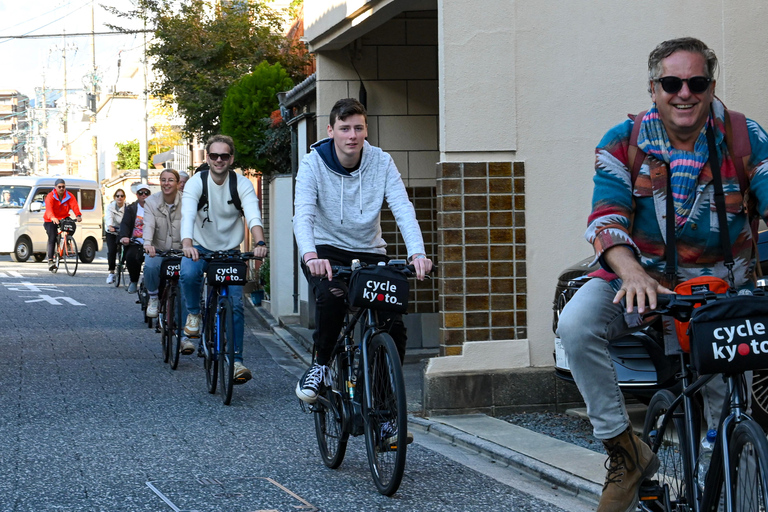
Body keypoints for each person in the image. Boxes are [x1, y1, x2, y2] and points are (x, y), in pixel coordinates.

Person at [557, 37, 768, 512]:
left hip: (720, 288)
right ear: (653, 88)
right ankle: (624, 451)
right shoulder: (621, 142)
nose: (684, 93)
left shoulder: (742, 136)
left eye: (696, 82)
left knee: (733, 421)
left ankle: (741, 482)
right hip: (639, 277)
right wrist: (631, 272)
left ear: (711, 87)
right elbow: (606, 219)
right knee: (575, 325)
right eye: (672, 83)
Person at [293, 98, 433, 407]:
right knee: (332, 298)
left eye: (358, 128)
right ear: (331, 131)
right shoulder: (312, 163)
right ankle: (320, 366)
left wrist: (417, 254)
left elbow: (403, 208)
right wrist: (310, 256)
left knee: (392, 324)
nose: (352, 135)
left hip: (370, 252)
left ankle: (383, 411)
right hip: (325, 250)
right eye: (344, 128)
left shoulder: (381, 161)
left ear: (366, 130)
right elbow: (302, 215)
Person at [180, 135, 267, 384]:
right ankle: (194, 314)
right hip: (199, 246)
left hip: (230, 251)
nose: (219, 160)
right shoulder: (197, 182)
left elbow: (253, 214)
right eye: (214, 156)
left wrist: (260, 243)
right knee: (188, 271)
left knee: (237, 305)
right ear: (207, 157)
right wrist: (187, 244)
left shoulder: (241, 184)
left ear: (232, 159)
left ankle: (237, 361)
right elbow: (187, 214)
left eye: (224, 156)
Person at [142, 169, 194, 354]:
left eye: (170, 180)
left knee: (185, 288)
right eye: (163, 180)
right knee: (150, 265)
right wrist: (148, 244)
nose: (166, 183)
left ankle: (185, 337)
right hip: (159, 250)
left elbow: (193, 223)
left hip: (182, 251)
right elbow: (148, 224)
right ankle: (154, 298)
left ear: (178, 183)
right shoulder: (151, 202)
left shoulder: (188, 201)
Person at [119, 184, 151, 294]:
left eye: (146, 193)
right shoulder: (131, 208)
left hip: (152, 241)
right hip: (136, 241)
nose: (143, 195)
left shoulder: (155, 208)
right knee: (131, 257)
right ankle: (133, 281)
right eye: (141, 193)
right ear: (137, 195)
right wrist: (124, 237)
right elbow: (125, 224)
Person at [44, 179, 82, 271]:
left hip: (64, 217)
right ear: (55, 187)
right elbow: (49, 209)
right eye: (59, 187)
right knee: (52, 237)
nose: (61, 188)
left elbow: (74, 205)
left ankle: (67, 241)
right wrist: (53, 217)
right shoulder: (50, 196)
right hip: (50, 218)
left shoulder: (69, 196)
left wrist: (78, 215)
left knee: (72, 226)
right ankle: (50, 260)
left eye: (63, 187)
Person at [105, 189, 126, 284]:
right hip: (111, 231)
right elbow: (109, 217)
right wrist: (110, 226)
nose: (120, 198)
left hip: (122, 231)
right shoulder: (110, 206)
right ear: (115, 198)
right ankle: (111, 272)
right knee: (112, 251)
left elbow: (129, 219)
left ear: (124, 198)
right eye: (118, 196)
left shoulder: (128, 207)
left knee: (127, 248)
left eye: (122, 196)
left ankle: (123, 262)